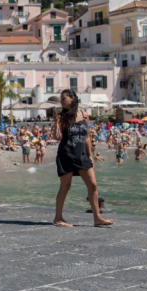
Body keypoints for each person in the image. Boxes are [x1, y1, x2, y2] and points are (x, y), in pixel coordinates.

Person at [51, 89, 113, 228]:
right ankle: (58, 218)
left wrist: (90, 155)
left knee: (93, 185)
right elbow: (58, 137)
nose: (61, 101)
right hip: (66, 154)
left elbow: (87, 137)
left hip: (82, 155)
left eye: (64, 98)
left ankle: (97, 218)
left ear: (72, 98)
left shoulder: (84, 115)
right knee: (65, 186)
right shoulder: (62, 117)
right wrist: (56, 124)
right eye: (61, 99)